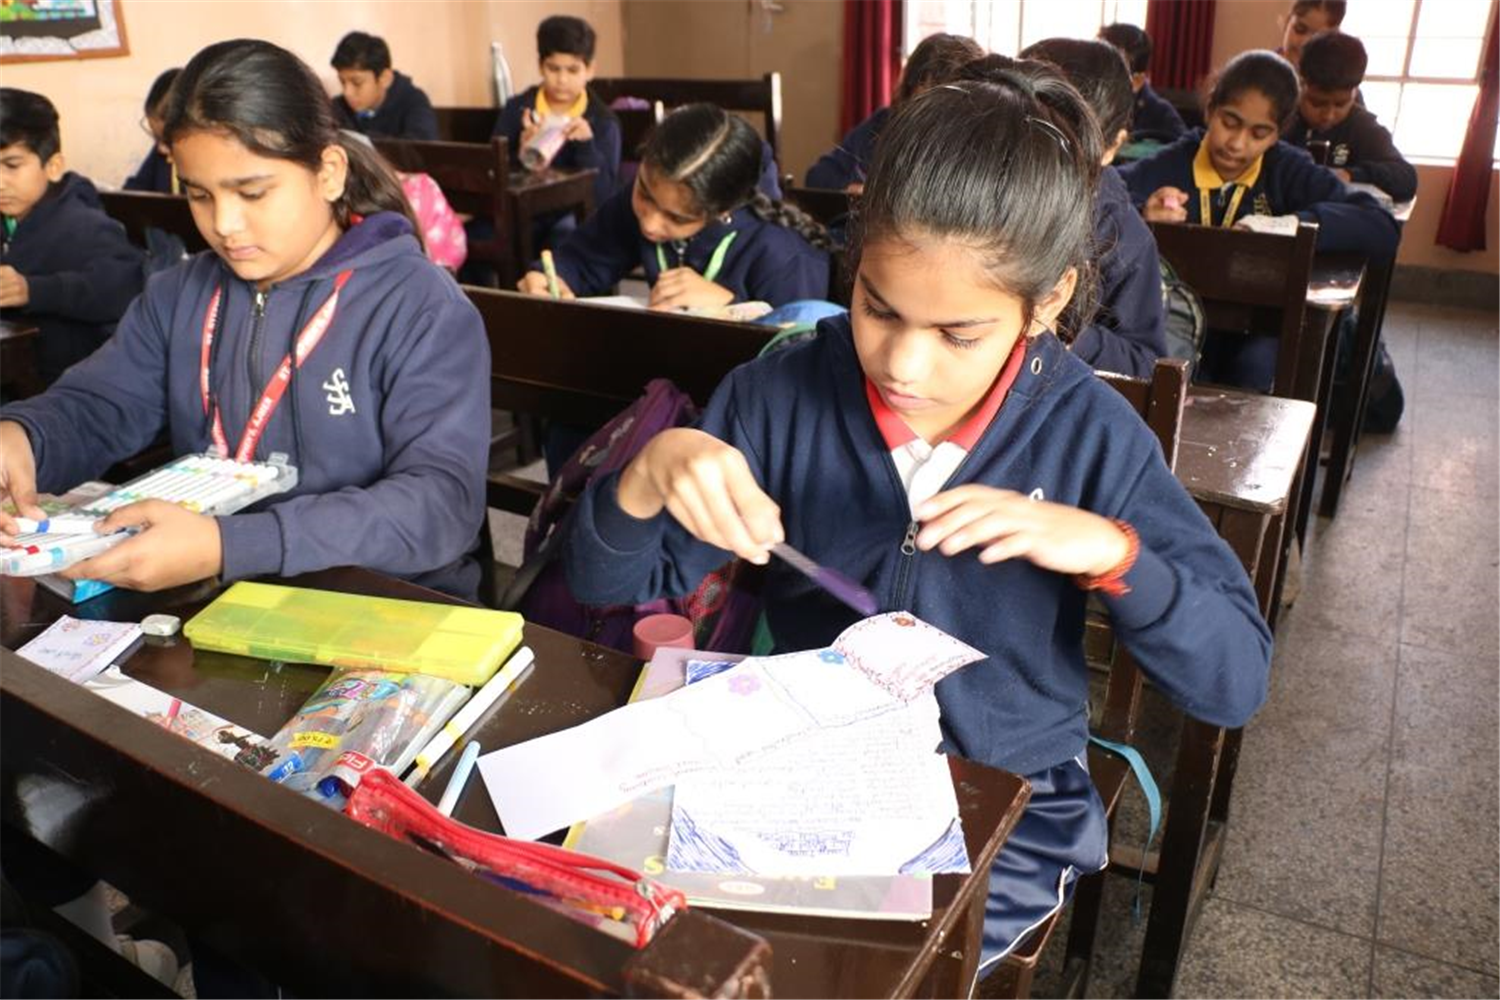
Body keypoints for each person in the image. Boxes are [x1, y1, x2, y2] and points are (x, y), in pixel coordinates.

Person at [560, 59, 1271, 977]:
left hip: (1003, 789)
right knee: (657, 950)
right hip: (797, 760)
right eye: (877, 307)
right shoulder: (779, 394)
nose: (903, 364)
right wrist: (646, 476)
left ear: (1049, 301)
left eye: (958, 334)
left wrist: (1112, 551)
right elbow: (602, 584)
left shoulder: (1090, 435)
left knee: (881, 976)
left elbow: (1233, 681)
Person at [1118, 50, 1398, 390]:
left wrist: (1290, 224)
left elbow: (1381, 226)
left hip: (1259, 328)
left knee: (1253, 372)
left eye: (1259, 133)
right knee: (1162, 369)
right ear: (1210, 109)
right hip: (1177, 319)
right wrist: (1141, 212)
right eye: (1229, 122)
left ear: (1278, 134)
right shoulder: (1172, 163)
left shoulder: (1287, 169)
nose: (1237, 144)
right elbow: (1103, 197)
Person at [518, 103, 830, 310]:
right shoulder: (643, 203)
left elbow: (799, 361)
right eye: (644, 192)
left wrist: (732, 309)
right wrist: (553, 277)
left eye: (677, 218)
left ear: (722, 210)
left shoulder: (786, 257)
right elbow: (582, 259)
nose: (649, 224)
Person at [1017, 41, 1166, 377]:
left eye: (1069, 143)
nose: (1044, 156)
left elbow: (1146, 363)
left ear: (1112, 147)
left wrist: (1065, 332)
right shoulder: (976, 191)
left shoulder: (1123, 236)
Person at [0, 88, 144, 387]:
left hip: (67, 386)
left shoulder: (85, 225)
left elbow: (126, 288)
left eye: (12, 166)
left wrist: (32, 290)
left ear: (53, 167)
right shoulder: (9, 217)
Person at [804, 32, 983, 193]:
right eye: (922, 100)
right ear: (909, 90)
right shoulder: (883, 122)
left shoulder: (980, 145)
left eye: (942, 104)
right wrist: (855, 189)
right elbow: (817, 177)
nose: (930, 115)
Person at [494, 14, 620, 211]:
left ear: (590, 70)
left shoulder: (603, 122)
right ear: (540, 66)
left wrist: (586, 146)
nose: (562, 80)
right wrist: (523, 156)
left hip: (574, 217)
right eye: (553, 69)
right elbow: (493, 177)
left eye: (573, 70)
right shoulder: (517, 110)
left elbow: (604, 195)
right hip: (524, 214)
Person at [1286, 31, 1416, 202]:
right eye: (1317, 103)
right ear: (1301, 83)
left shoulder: (1362, 127)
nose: (1328, 115)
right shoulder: (1281, 119)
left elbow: (1407, 178)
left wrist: (1351, 174)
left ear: (1355, 92)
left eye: (1341, 104)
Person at [330, 31, 438, 140]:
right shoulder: (338, 106)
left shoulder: (413, 101)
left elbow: (422, 145)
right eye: (342, 82)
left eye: (357, 83)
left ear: (385, 78)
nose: (347, 93)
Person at [1097, 23, 1186, 142]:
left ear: (1137, 81)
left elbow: (1187, 149)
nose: (1097, 75)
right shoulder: (1088, 101)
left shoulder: (1161, 115)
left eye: (1109, 69)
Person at [123, 68, 182, 193]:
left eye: (167, 141)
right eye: (156, 138)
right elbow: (137, 187)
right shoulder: (160, 152)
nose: (160, 149)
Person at [1276, 0, 1347, 69]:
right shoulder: (1269, 68)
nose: (1304, 42)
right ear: (1287, 21)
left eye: (1318, 38)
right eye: (1300, 29)